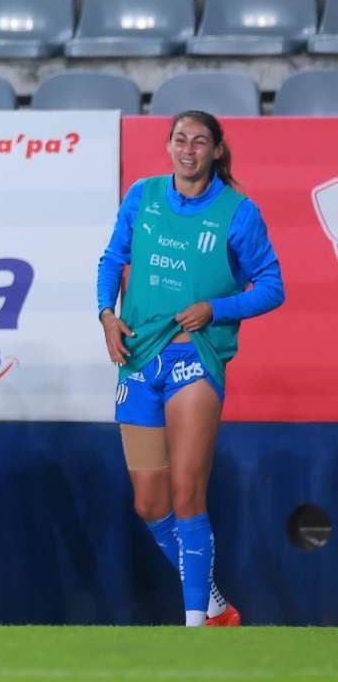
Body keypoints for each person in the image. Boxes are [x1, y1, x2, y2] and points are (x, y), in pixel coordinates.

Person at [97, 110, 284, 627]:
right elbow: (113, 259)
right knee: (149, 503)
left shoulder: (237, 212)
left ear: (216, 151)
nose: (188, 149)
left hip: (192, 359)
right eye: (180, 139)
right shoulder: (143, 196)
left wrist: (216, 309)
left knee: (185, 492)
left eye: (200, 142)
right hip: (136, 360)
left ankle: (195, 625)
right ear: (169, 145)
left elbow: (272, 286)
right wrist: (106, 314)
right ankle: (219, 608)